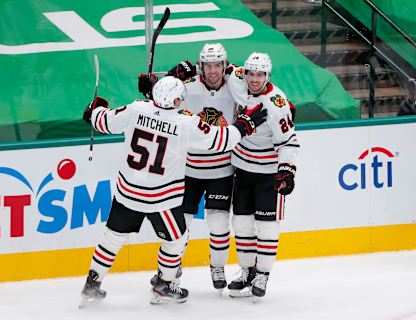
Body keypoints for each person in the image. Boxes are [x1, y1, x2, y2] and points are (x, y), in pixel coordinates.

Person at [80, 76, 267, 305]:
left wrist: (95, 108)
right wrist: (246, 123)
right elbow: (221, 140)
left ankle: (92, 282)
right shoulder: (185, 124)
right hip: (161, 199)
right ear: (177, 100)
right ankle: (165, 284)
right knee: (177, 239)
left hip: (127, 193)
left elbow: (102, 121)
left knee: (112, 239)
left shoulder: (136, 109)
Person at [140, 43, 237, 294]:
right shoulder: (187, 87)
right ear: (200, 66)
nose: (213, 71)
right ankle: (170, 271)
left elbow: (261, 88)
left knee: (218, 224)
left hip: (221, 170)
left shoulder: (237, 86)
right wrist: (150, 89)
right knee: (179, 225)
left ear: (224, 65)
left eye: (217, 65)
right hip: (188, 170)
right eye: (208, 65)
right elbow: (161, 102)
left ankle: (217, 267)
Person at [225, 52, 300, 299]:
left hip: (267, 174)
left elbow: (289, 141)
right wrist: (189, 69)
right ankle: (247, 271)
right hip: (242, 169)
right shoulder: (238, 78)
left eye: (260, 74)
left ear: (267, 75)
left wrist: (286, 171)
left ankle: (263, 275)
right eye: (251, 73)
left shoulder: (276, 104)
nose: (254, 79)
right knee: (241, 224)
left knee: (267, 228)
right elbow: (222, 69)